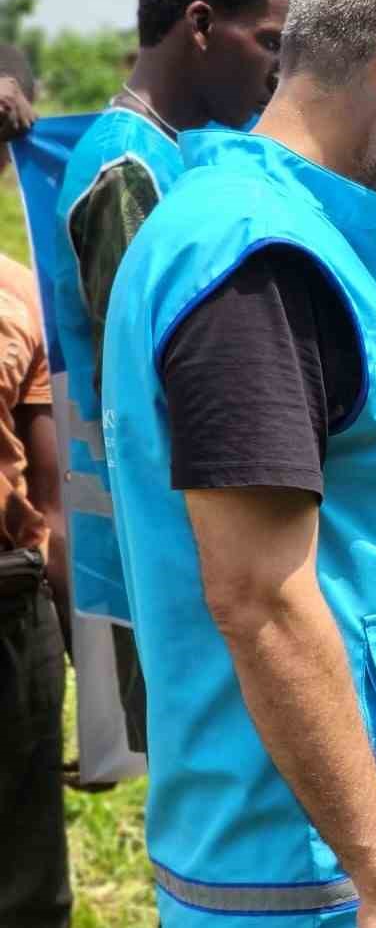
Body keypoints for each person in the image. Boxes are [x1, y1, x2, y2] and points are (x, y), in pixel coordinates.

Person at [99, 0, 376, 928]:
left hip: (327, 846)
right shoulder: (259, 257)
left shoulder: (280, 227)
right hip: (312, 874)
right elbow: (259, 594)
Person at [48, 0, 296, 754]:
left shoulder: (179, 154)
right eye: (267, 40)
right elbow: (167, 384)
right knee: (218, 799)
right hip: (168, 553)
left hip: (190, 546)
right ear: (199, 25)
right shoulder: (129, 170)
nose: (278, 68)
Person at [0, 49, 72, 928]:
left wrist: (93, 692)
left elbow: (55, 501)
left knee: (26, 885)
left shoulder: (23, 300)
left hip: (11, 613)